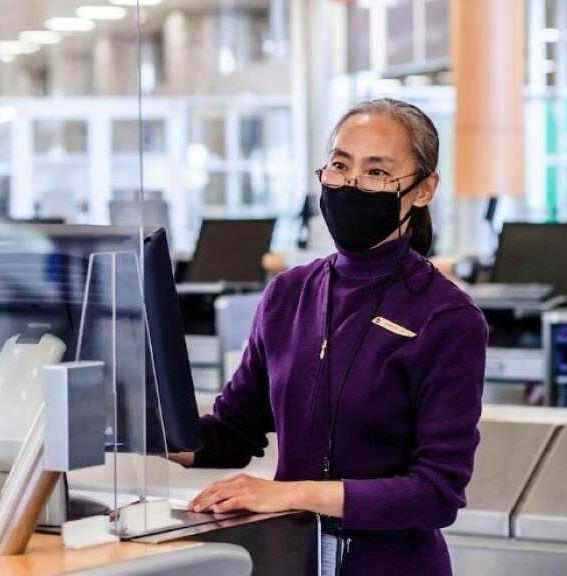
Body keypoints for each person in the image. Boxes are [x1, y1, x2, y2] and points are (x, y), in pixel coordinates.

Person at [174, 98, 487, 575]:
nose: (351, 185)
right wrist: (148, 431)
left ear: (423, 190)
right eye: (340, 165)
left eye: (377, 172)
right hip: (290, 559)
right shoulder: (288, 294)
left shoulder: (446, 317)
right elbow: (235, 431)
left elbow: (435, 492)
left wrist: (293, 493)